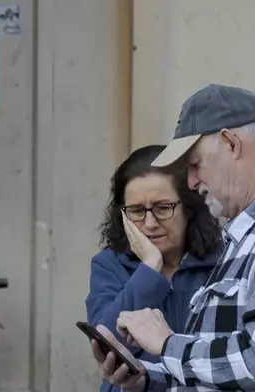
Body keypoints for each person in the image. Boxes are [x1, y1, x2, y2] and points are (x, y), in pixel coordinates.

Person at [90, 84, 255, 391]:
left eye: (195, 164)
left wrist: (167, 344)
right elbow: (224, 363)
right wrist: (149, 379)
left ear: (231, 143)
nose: (191, 182)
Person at [85, 145, 222, 392]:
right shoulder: (109, 265)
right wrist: (150, 266)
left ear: (189, 207)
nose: (149, 224)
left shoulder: (222, 261)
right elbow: (106, 340)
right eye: (137, 211)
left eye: (162, 208)